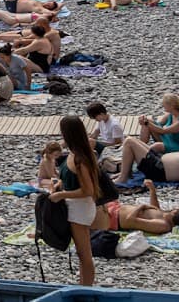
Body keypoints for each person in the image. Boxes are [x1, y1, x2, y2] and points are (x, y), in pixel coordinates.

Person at [50, 115, 102, 285]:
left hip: (80, 208)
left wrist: (62, 194)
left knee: (84, 254)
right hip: (76, 207)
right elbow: (72, 179)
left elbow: (88, 190)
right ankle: (83, 285)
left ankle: (86, 288)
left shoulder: (80, 158)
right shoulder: (75, 153)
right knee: (81, 253)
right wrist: (60, 184)